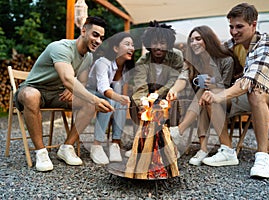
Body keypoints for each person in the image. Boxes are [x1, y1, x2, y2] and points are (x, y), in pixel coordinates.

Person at [199, 3, 269, 179]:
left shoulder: (268, 44)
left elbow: (249, 81)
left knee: (256, 91)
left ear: (254, 25)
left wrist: (219, 95)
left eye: (239, 27)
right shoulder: (233, 45)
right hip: (246, 92)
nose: (234, 31)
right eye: (231, 27)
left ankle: (262, 158)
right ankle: (227, 151)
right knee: (209, 94)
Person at [14, 16, 114, 172]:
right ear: (83, 31)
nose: (99, 40)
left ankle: (66, 147)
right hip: (33, 88)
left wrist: (72, 88)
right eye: (95, 35)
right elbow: (67, 78)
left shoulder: (88, 57)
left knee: (88, 105)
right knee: (31, 95)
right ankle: (41, 152)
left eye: (101, 37)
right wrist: (87, 94)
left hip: (57, 94)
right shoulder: (61, 47)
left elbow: (81, 81)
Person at [167, 26, 235, 165]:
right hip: (206, 99)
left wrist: (214, 85)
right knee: (204, 97)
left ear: (208, 40)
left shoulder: (226, 59)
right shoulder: (193, 60)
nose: (194, 43)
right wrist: (174, 89)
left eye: (198, 39)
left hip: (227, 98)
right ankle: (203, 149)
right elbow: (183, 78)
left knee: (205, 92)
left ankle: (180, 130)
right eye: (191, 40)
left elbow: (227, 87)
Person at [125, 20, 184, 157]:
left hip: (167, 91)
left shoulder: (176, 56)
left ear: (168, 44)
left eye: (162, 43)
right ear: (149, 44)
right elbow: (140, 86)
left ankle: (170, 143)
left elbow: (174, 80)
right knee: (134, 101)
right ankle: (141, 142)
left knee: (174, 100)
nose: (158, 47)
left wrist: (158, 95)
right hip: (147, 93)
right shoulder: (142, 61)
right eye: (154, 43)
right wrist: (143, 103)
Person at [86, 32, 135, 164]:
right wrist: (118, 98)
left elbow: (120, 91)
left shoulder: (126, 68)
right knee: (109, 100)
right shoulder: (103, 62)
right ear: (115, 48)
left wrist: (123, 100)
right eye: (127, 44)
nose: (132, 48)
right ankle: (97, 145)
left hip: (108, 93)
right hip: (89, 93)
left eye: (132, 45)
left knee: (121, 100)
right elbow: (103, 87)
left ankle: (115, 143)